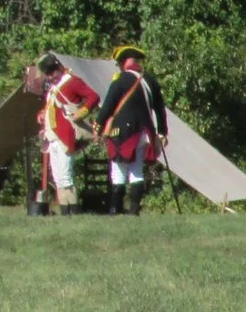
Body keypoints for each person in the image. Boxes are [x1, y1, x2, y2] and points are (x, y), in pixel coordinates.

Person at [94, 45, 167, 215]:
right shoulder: (150, 80)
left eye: (119, 62)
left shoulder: (120, 80)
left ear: (124, 62)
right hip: (144, 133)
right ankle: (133, 210)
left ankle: (114, 210)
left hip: (123, 133)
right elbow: (160, 109)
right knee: (136, 171)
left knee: (118, 172)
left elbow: (108, 107)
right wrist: (162, 132)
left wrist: (98, 125)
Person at [33, 54, 100, 215]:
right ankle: (65, 210)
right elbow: (51, 109)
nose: (50, 77)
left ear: (58, 69)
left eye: (51, 73)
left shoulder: (72, 81)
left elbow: (93, 97)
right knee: (57, 178)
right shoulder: (53, 87)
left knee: (65, 176)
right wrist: (42, 115)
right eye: (47, 74)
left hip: (65, 135)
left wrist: (82, 113)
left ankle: (73, 210)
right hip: (52, 137)